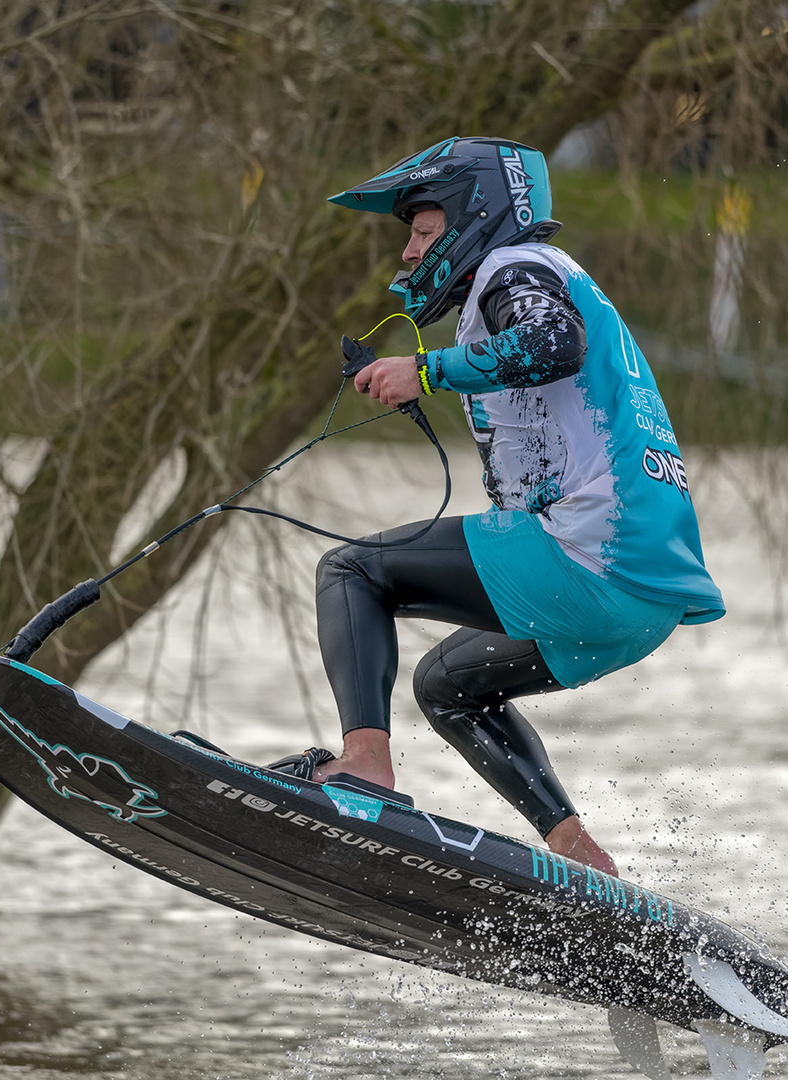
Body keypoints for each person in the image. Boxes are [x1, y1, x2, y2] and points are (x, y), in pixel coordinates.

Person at [273, 137, 724, 876]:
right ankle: (583, 856)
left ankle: (363, 767)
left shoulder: (516, 266)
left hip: (588, 556)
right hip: (645, 601)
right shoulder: (550, 277)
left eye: (422, 232)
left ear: (472, 215)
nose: (412, 255)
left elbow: (553, 341)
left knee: (352, 573)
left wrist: (427, 370)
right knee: (447, 687)